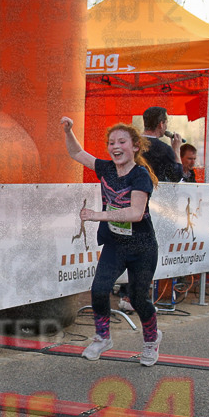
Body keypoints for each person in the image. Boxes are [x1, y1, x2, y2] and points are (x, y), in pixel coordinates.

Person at [60, 117, 163, 365]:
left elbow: (136, 213)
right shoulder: (106, 169)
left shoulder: (140, 176)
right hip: (115, 244)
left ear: (136, 146)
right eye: (110, 142)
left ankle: (151, 340)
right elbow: (76, 152)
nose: (115, 146)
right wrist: (68, 130)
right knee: (99, 289)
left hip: (142, 246)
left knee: (139, 299)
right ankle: (102, 337)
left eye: (121, 142)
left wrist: (98, 215)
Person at [141, 106, 184, 182]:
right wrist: (176, 150)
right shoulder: (164, 149)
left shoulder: (130, 143)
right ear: (161, 124)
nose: (166, 127)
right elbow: (176, 177)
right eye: (166, 123)